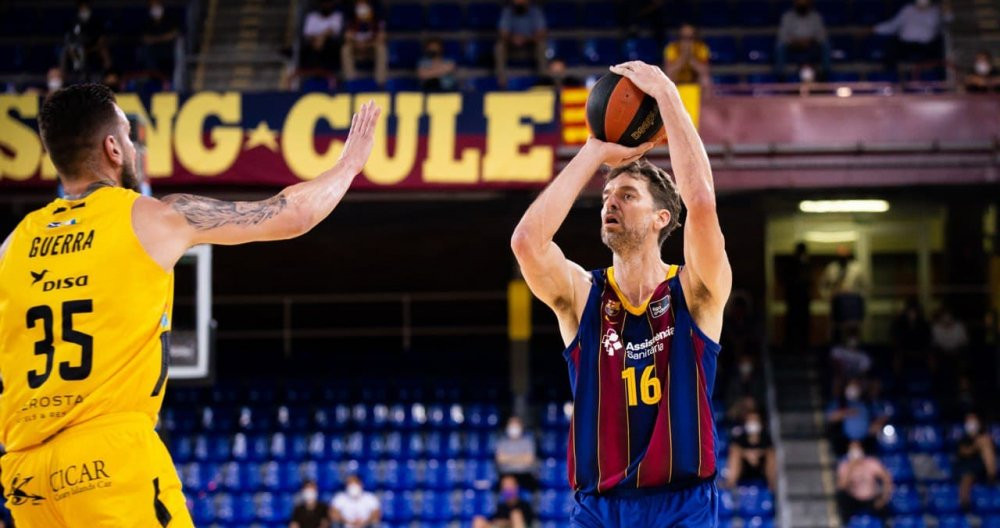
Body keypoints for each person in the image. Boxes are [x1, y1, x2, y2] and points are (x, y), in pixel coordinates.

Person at [0, 84, 380, 527]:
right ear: (112, 148)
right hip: (106, 457)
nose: (133, 147)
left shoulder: (14, 244)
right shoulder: (149, 217)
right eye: (127, 136)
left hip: (25, 472)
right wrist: (349, 166)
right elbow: (292, 214)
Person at [511, 60, 731, 526]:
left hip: (682, 504)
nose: (611, 201)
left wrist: (668, 95)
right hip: (599, 507)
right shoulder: (583, 295)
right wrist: (594, 152)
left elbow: (703, 204)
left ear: (660, 219)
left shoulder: (695, 293)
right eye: (607, 196)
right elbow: (527, 243)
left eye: (627, 195)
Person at [873, 0, 950, 72]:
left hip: (927, 46)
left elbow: (948, 20)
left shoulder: (936, 11)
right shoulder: (907, 10)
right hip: (904, 45)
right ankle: (889, 76)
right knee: (891, 47)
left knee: (938, 49)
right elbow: (892, 26)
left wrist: (946, 8)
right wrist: (873, 29)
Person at [819, 246, 866, 345]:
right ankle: (837, 348)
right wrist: (829, 296)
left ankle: (853, 349)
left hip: (852, 303)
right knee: (837, 329)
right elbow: (822, 285)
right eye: (840, 257)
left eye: (844, 256)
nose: (842, 259)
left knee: (852, 330)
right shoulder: (831, 268)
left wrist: (855, 294)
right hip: (837, 303)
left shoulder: (857, 268)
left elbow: (865, 286)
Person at [836, 441, 893, 521]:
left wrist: (883, 499)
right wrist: (851, 467)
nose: (855, 452)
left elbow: (886, 479)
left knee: (885, 511)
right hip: (853, 499)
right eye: (852, 450)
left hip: (871, 498)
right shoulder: (844, 465)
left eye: (857, 449)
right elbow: (842, 486)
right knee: (841, 499)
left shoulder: (871, 462)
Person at [775, 0, 831, 81]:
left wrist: (810, 40)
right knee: (779, 46)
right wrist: (796, 41)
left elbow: (822, 36)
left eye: (804, 2)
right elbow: (782, 37)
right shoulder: (787, 16)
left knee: (826, 45)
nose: (802, 4)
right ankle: (780, 77)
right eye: (799, 2)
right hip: (793, 48)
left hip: (811, 47)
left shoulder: (816, 16)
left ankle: (825, 74)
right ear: (795, 3)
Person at [495, 0, 547, 87]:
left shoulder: (535, 11)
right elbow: (502, 33)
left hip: (530, 47)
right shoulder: (508, 11)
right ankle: (501, 79)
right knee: (499, 46)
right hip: (512, 48)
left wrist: (525, 39)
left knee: (542, 45)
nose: (519, 2)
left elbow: (542, 32)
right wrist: (513, 38)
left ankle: (543, 79)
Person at [825, 380, 885, 455]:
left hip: (866, 441)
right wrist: (846, 412)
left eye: (856, 387)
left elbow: (882, 414)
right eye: (851, 387)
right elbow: (830, 417)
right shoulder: (840, 402)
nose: (853, 390)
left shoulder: (867, 402)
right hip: (844, 442)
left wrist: (877, 423)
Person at [723, 410, 777, 491]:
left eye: (755, 420)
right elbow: (735, 448)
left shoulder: (766, 437)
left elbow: (768, 449)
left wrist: (756, 454)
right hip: (743, 469)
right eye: (750, 420)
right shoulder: (740, 438)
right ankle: (730, 483)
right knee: (735, 452)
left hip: (761, 469)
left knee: (771, 454)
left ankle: (772, 485)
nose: (753, 423)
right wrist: (747, 454)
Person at [955, 411, 997, 509]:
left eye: (973, 420)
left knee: (986, 445)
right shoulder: (963, 438)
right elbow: (964, 452)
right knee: (967, 477)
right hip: (966, 465)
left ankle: (992, 475)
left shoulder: (985, 436)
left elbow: (991, 452)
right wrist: (976, 445)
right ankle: (964, 503)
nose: (971, 423)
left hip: (981, 466)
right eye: (969, 420)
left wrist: (983, 443)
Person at [341, 0, 387, 86]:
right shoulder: (349, 10)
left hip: (371, 47)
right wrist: (357, 42)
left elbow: (382, 36)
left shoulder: (377, 9)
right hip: (356, 47)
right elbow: (346, 36)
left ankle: (380, 82)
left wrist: (367, 44)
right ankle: (351, 81)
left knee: (381, 48)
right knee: (345, 49)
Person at [62, 0, 112, 78]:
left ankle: (108, 71)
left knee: (103, 49)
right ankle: (74, 67)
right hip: (78, 45)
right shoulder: (75, 20)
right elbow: (71, 35)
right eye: (82, 7)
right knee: (68, 49)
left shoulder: (96, 20)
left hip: (93, 45)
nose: (84, 9)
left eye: (85, 7)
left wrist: (97, 43)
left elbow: (102, 36)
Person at [495, 416, 538, 490]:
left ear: (521, 426)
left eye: (516, 425)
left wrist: (508, 458)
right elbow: (500, 459)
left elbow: (529, 459)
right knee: (507, 484)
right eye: (511, 425)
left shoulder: (528, 442)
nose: (514, 428)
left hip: (525, 474)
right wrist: (521, 458)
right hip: (507, 474)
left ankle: (525, 501)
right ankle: (509, 500)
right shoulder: (502, 442)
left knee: (533, 487)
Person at [139, 0, 180, 78]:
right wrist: (163, 38)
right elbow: (145, 38)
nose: (154, 8)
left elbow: (174, 34)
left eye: (156, 5)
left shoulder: (170, 19)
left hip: (169, 54)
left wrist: (155, 39)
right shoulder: (147, 23)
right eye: (152, 6)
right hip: (153, 56)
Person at [301, 0, 346, 71]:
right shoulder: (312, 16)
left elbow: (334, 31)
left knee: (328, 43)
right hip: (312, 44)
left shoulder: (337, 16)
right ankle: (313, 71)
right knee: (309, 45)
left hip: (331, 45)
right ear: (320, 4)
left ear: (331, 4)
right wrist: (318, 39)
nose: (326, 5)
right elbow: (307, 34)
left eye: (328, 3)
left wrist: (322, 37)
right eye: (324, 3)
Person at [663, 24, 711, 88]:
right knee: (668, 78)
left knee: (706, 79)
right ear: (679, 38)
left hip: (694, 81)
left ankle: (705, 98)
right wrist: (683, 57)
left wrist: (691, 57)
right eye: (684, 38)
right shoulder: (672, 48)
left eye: (690, 38)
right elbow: (668, 71)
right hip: (677, 81)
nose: (687, 42)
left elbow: (705, 71)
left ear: (695, 38)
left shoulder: (701, 47)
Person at [784, 242, 811, 353]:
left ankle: (803, 345)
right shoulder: (793, 264)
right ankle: (793, 346)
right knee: (794, 324)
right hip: (795, 299)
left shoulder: (806, 263)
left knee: (803, 324)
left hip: (802, 299)